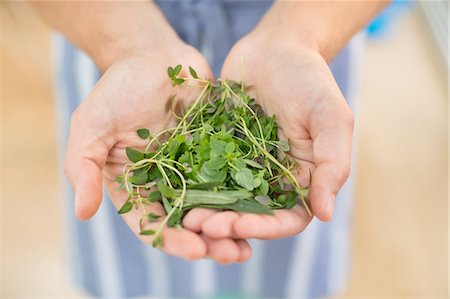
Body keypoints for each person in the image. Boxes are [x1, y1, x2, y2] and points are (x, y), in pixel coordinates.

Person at [31, 1, 388, 298]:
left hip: (308, 39)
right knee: (134, 276)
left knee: (282, 273)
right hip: (108, 35)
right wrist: (128, 44)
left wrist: (300, 38)